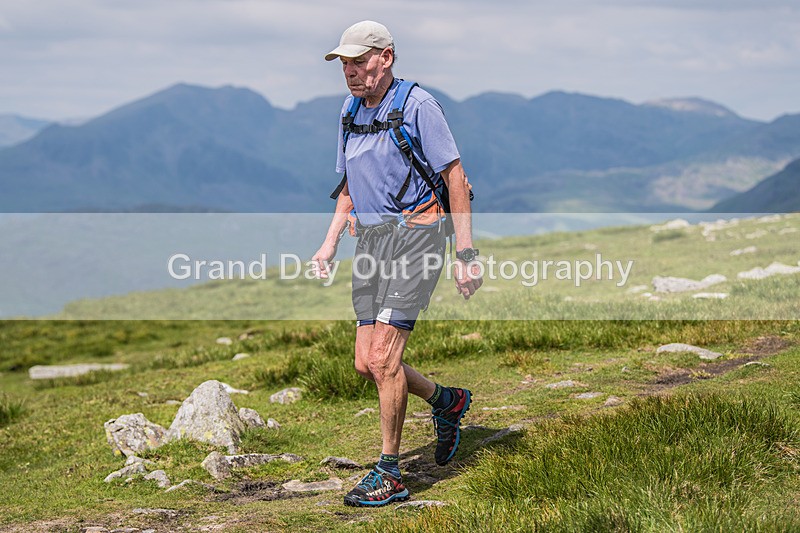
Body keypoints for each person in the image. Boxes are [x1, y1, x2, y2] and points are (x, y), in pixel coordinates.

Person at [312, 20, 482, 507]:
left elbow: (455, 176)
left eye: (359, 61)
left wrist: (466, 255)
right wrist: (328, 244)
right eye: (344, 63)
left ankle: (390, 473)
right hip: (370, 244)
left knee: (386, 359)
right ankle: (447, 402)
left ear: (386, 56)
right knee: (366, 363)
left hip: (417, 239)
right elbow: (348, 187)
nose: (350, 71)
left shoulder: (417, 105)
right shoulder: (349, 110)